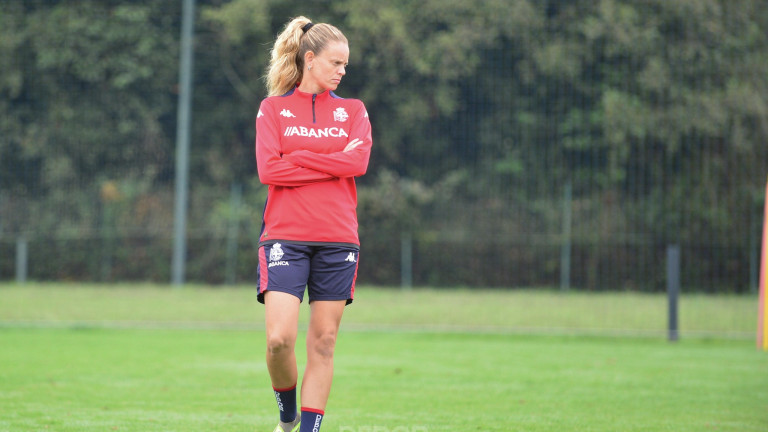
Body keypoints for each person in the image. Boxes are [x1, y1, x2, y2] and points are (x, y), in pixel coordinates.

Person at [254, 16, 372, 432]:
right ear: (309, 59)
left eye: (346, 65)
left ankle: (308, 430)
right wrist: (330, 163)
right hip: (285, 238)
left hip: (339, 239)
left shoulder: (353, 111)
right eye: (336, 63)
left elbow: (357, 162)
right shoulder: (273, 109)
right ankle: (286, 417)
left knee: (323, 344)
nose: (343, 71)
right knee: (278, 340)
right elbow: (269, 171)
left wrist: (299, 158)